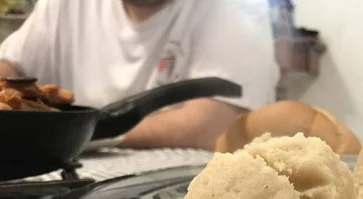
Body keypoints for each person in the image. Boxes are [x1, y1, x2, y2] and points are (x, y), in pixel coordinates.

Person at [0, 0, 278, 150]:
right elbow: (10, 67)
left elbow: (212, 125)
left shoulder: (239, 7)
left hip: (182, 193)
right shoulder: (65, 5)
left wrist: (79, 135)